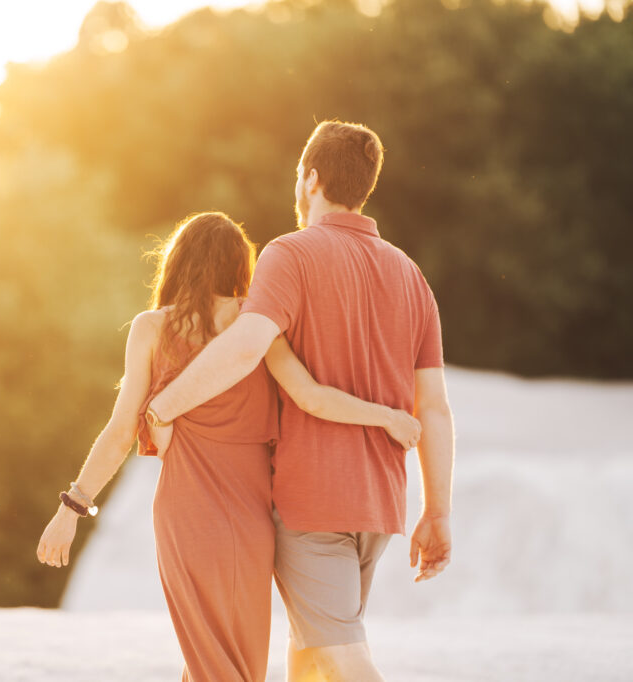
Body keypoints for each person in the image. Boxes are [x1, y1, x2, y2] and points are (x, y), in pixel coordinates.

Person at [37, 211, 422, 681]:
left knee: (212, 661)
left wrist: (71, 508)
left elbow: (120, 431)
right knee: (228, 661)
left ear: (178, 264)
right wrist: (388, 417)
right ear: (242, 267)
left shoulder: (152, 328)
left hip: (186, 516)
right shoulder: (257, 327)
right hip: (251, 519)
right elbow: (311, 397)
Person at [144, 121, 456, 682]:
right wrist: (436, 512)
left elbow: (244, 349)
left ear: (310, 179)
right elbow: (433, 407)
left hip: (313, 501)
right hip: (380, 504)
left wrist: (162, 407)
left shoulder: (291, 254)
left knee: (340, 659)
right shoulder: (412, 276)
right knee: (312, 661)